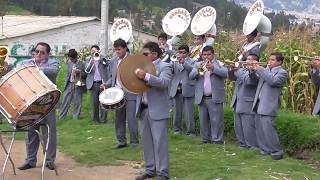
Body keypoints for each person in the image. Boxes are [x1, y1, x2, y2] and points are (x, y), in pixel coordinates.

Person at [18, 42, 59, 170]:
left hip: (48, 103)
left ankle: (49, 161)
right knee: (30, 132)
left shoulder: (53, 63)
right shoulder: (28, 62)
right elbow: (19, 67)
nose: (39, 54)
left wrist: (35, 68)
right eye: (37, 51)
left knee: (49, 132)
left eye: (42, 52)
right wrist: (32, 64)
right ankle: (30, 161)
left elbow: (53, 72)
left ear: (48, 54)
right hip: (31, 103)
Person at [135, 42, 172, 180]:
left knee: (160, 142)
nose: (143, 56)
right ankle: (150, 169)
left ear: (155, 54)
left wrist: (146, 76)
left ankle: (163, 173)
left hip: (158, 110)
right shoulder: (141, 68)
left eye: (145, 54)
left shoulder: (165, 66)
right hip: (143, 108)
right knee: (147, 141)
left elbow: (164, 83)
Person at [102, 38, 139, 148]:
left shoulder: (133, 60)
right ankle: (121, 141)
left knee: (132, 119)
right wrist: (106, 84)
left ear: (125, 48)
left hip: (130, 93)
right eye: (115, 50)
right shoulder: (113, 61)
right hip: (117, 94)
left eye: (119, 49)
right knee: (119, 119)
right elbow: (112, 77)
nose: (117, 52)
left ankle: (134, 142)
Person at [251, 52, 288, 160]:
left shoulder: (282, 72)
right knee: (260, 130)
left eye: (272, 60)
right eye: (269, 59)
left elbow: (273, 81)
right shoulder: (266, 70)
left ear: (279, 62)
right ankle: (265, 150)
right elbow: (254, 81)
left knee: (269, 130)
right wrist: (252, 72)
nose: (269, 61)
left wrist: (260, 69)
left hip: (269, 105)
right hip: (259, 103)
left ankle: (277, 153)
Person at [189, 46, 227, 144]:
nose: (206, 57)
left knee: (216, 120)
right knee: (203, 120)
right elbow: (191, 76)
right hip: (202, 97)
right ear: (201, 55)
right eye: (204, 55)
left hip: (215, 96)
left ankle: (217, 140)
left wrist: (214, 69)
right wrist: (198, 69)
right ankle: (205, 139)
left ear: (213, 54)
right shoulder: (197, 64)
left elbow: (226, 73)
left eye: (209, 54)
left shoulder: (219, 63)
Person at [228, 54, 259, 149]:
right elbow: (231, 78)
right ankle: (242, 145)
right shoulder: (243, 70)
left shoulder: (256, 72)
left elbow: (250, 82)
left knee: (248, 127)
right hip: (237, 102)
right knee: (238, 127)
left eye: (250, 59)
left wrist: (238, 70)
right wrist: (231, 69)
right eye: (247, 59)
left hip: (247, 103)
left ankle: (252, 147)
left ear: (255, 62)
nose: (247, 61)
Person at [169, 45, 196, 137]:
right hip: (177, 89)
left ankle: (191, 132)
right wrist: (172, 64)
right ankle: (177, 130)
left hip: (188, 89)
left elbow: (193, 71)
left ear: (188, 53)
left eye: (184, 53)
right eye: (180, 52)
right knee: (177, 112)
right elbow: (170, 72)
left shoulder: (193, 62)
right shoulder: (175, 61)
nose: (182, 54)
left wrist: (184, 63)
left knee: (189, 113)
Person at [59, 49, 86, 120]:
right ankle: (62, 118)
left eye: (73, 59)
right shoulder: (69, 63)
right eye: (70, 58)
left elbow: (86, 75)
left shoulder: (82, 63)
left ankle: (75, 118)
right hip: (69, 84)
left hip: (78, 84)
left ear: (76, 57)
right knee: (65, 101)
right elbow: (68, 74)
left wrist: (79, 72)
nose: (71, 60)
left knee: (77, 102)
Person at [85, 45, 109, 124]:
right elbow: (87, 71)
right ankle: (96, 120)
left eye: (95, 51)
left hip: (102, 83)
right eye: (92, 51)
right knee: (94, 103)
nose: (93, 53)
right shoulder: (88, 59)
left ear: (98, 51)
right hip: (94, 83)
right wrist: (92, 62)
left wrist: (101, 57)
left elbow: (107, 64)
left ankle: (104, 120)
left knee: (103, 102)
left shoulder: (103, 58)